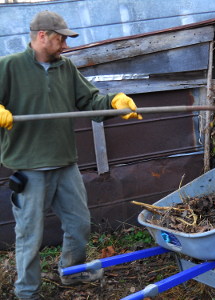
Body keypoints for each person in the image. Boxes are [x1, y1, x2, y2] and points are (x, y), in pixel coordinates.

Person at [0, 10, 142, 300]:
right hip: (29, 167)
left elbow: (90, 100)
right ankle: (27, 292)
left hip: (65, 163)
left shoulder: (66, 68)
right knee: (30, 234)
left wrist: (115, 101)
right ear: (42, 36)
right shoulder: (9, 67)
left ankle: (71, 273)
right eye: (60, 39)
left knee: (79, 223)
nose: (65, 45)